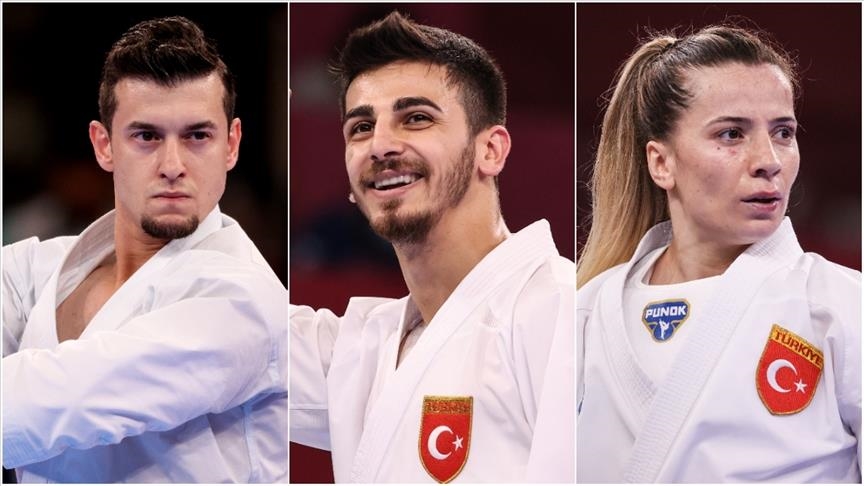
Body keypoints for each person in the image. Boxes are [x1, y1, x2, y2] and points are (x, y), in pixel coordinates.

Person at [290, 11, 574, 483]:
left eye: (416, 118)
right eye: (360, 127)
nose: (380, 145)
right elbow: (228, 329)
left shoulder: (559, 311)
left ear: (491, 150)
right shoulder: (361, 352)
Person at [2, 16, 287, 483]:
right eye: (147, 136)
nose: (172, 165)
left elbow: (61, 400)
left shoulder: (243, 300)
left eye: (197, 136)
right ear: (104, 145)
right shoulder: (39, 271)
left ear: (231, 145)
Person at [576, 24, 861, 482]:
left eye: (783, 132)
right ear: (661, 162)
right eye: (731, 134)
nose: (768, 160)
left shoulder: (843, 306)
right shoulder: (585, 315)